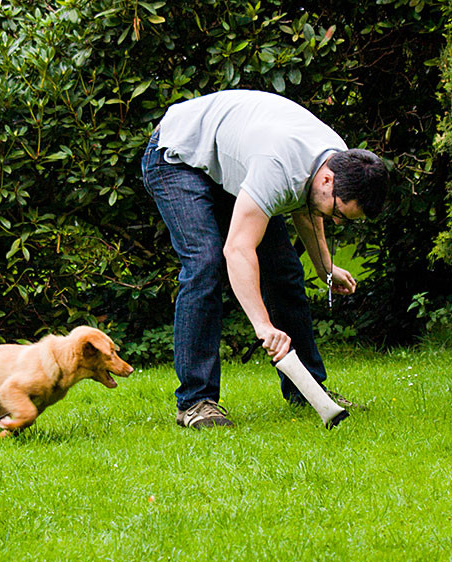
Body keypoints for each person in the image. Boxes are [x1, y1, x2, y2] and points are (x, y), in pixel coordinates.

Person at [141, 89, 388, 428]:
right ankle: (196, 402)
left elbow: (309, 207)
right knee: (205, 263)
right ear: (328, 179)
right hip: (178, 155)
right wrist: (263, 326)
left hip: (231, 165)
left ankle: (308, 389)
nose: (336, 221)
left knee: (285, 272)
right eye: (339, 213)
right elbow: (238, 249)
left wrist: (325, 267)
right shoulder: (278, 168)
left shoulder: (335, 161)